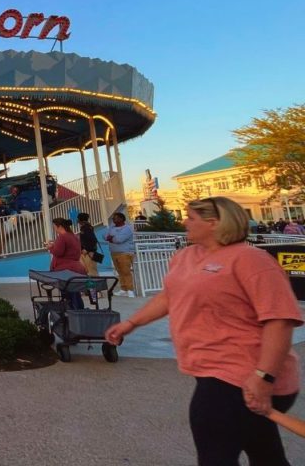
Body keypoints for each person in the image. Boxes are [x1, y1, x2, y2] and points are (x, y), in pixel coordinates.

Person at [105, 197, 302, 465]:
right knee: (264, 451)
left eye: (191, 218)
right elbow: (169, 297)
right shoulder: (185, 256)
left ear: (214, 223)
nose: (184, 222)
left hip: (244, 375)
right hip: (212, 370)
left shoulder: (252, 260)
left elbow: (279, 320)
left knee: (215, 454)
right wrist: (131, 323)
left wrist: (262, 377)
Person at [45, 217, 86, 309]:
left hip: (65, 270)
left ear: (59, 226)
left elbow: (58, 252)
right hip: (75, 268)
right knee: (75, 293)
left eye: (54, 227)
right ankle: (79, 311)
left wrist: (50, 247)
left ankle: (72, 313)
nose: (54, 229)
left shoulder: (62, 237)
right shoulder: (73, 236)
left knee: (68, 295)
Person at [105, 212, 136, 297]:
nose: (114, 220)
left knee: (126, 272)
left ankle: (130, 290)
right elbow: (104, 236)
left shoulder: (127, 228)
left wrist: (111, 238)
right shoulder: (112, 227)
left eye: (115, 218)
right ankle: (123, 289)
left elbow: (119, 239)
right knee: (119, 272)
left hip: (125, 253)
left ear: (121, 219)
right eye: (113, 218)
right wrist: (111, 237)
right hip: (114, 253)